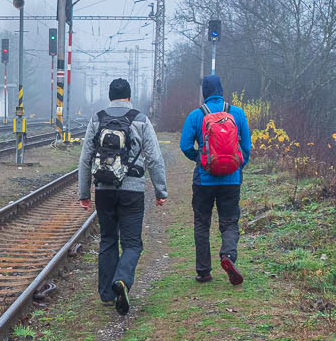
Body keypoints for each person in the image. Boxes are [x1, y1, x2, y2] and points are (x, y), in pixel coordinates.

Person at [76, 76, 167, 315]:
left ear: (110, 96)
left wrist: (84, 193)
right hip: (132, 191)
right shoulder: (140, 120)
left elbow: (85, 159)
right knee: (132, 243)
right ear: (129, 96)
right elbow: (155, 158)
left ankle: (107, 294)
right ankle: (123, 279)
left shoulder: (97, 119)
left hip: (104, 189)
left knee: (107, 239)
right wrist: (160, 191)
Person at [179, 73, 253, 285]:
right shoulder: (237, 113)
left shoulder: (196, 115)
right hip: (231, 179)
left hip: (204, 179)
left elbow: (185, 146)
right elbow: (246, 147)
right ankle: (228, 257)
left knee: (202, 223)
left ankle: (203, 271)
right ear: (221, 90)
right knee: (229, 222)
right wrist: (237, 166)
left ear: (204, 93)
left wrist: (201, 160)